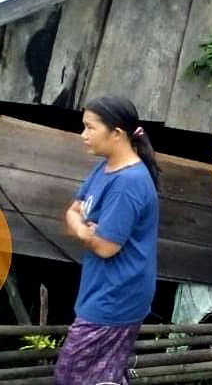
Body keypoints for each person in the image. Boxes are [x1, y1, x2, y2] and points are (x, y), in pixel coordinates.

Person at [55, 96, 161, 384]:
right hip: (104, 288)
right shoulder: (104, 168)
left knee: (71, 374)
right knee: (103, 375)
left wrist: (83, 230)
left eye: (90, 128)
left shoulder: (128, 183)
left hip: (117, 295)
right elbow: (74, 210)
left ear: (117, 133)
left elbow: (105, 246)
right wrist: (85, 229)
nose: (83, 135)